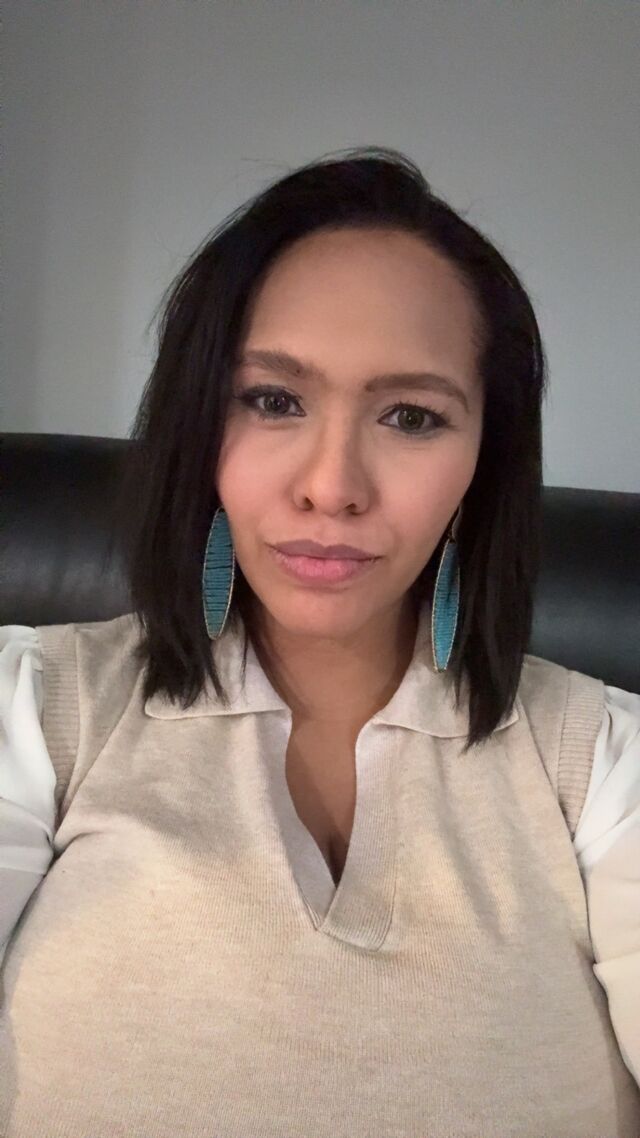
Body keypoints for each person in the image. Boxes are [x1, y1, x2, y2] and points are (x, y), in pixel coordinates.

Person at [1, 146, 638, 1137]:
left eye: (411, 416)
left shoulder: (601, 761)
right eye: (272, 400)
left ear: (485, 460)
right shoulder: (37, 710)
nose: (332, 485)